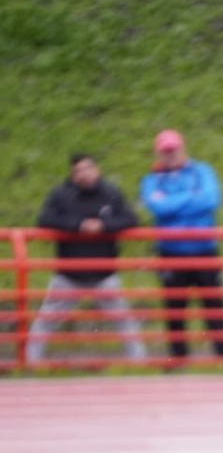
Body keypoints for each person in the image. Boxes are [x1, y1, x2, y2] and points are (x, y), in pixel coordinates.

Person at [29, 153, 145, 362]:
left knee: (124, 320)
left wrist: (103, 226)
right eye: (79, 171)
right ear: (73, 175)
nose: (84, 174)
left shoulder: (111, 193)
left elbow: (130, 219)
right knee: (46, 320)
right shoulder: (61, 194)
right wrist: (78, 225)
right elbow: (45, 219)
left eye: (88, 168)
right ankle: (28, 362)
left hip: (104, 274)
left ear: (96, 169)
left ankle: (140, 362)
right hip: (69, 274)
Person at [140, 129, 223, 361]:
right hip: (171, 253)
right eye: (166, 151)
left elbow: (211, 199)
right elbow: (158, 207)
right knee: (174, 308)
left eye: (174, 150)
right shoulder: (152, 179)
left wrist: (174, 204)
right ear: (159, 153)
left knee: (214, 304)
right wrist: (191, 197)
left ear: (183, 148)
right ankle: (178, 357)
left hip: (204, 250)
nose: (170, 155)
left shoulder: (202, 171)